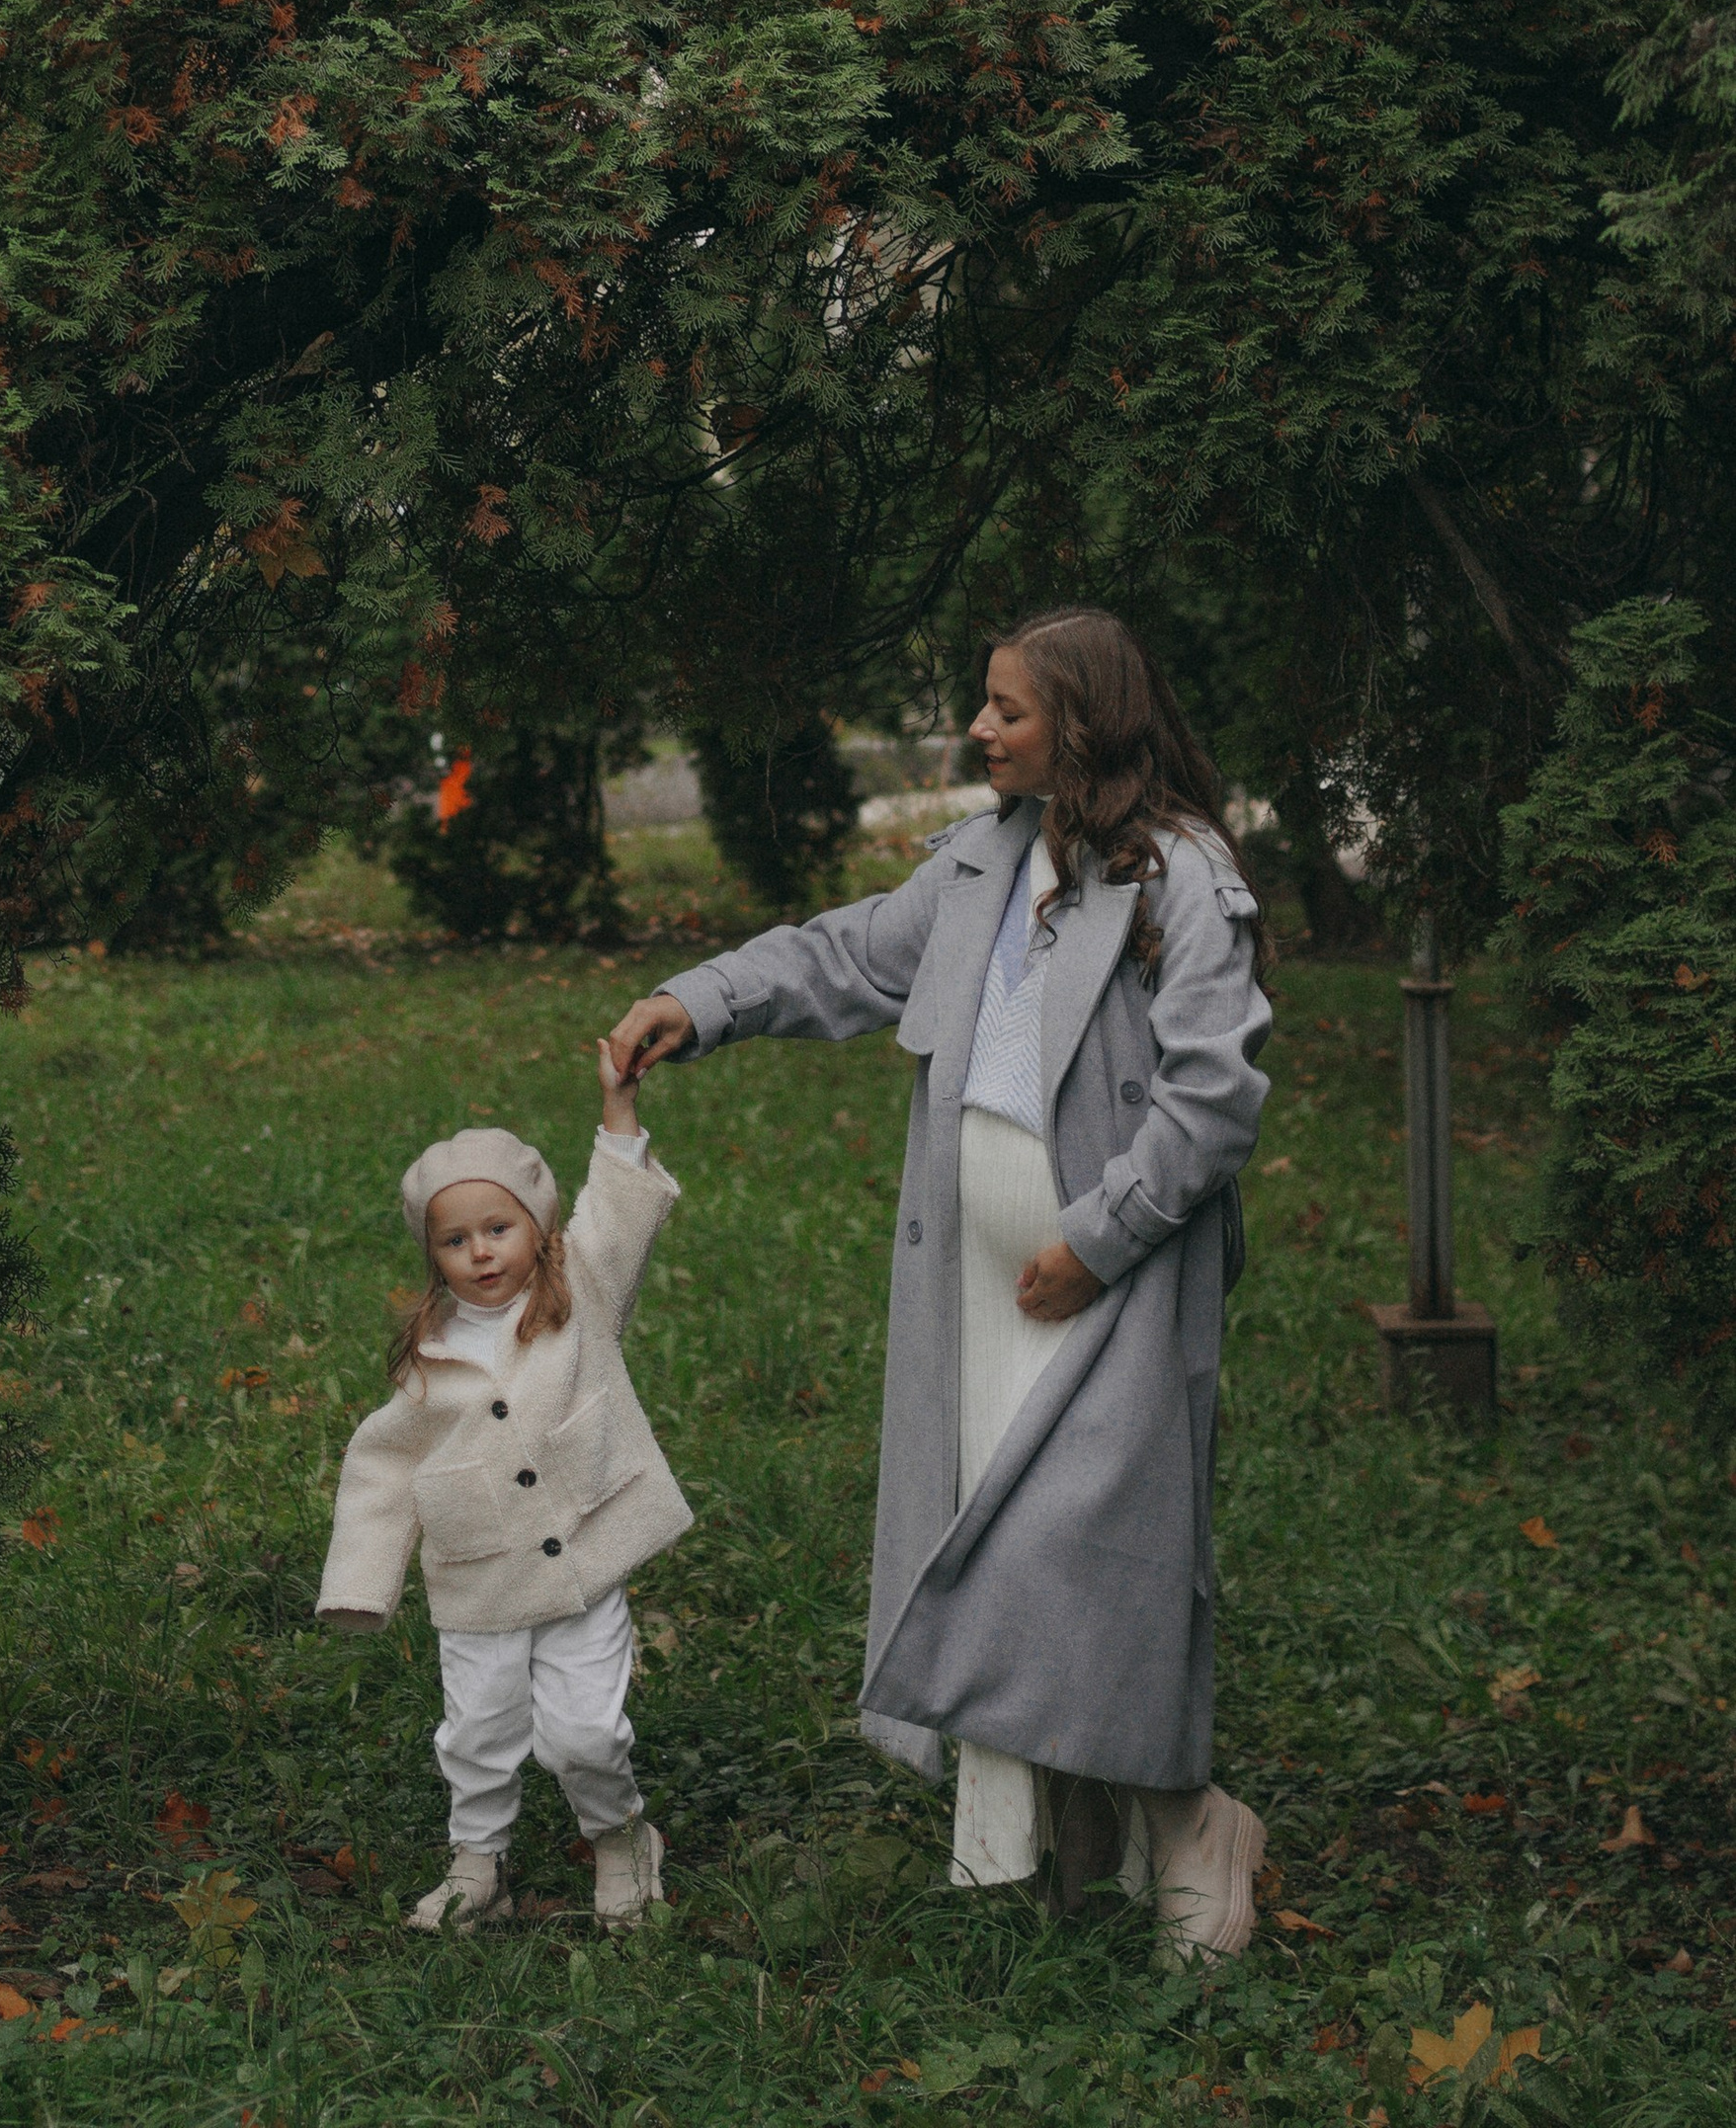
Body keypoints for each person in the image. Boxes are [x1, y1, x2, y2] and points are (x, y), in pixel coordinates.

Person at [608, 605, 1274, 1954]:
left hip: (1115, 1282)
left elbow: (1214, 1094)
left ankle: (1194, 1817)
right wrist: (708, 999)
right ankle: (1084, 1839)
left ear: (1085, 723)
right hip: (976, 1291)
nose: (981, 730)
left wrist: (1093, 1243)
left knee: (1090, 1555)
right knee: (1004, 1549)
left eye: (1009, 711)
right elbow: (847, 956)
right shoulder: (986, 864)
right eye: (985, 704)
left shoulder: (1184, 876)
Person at [315, 1036, 688, 1932]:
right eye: (455, 1239)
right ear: (432, 1255)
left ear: (539, 1225)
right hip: (477, 1572)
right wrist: (362, 1585)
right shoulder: (429, 1356)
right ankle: (478, 1863)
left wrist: (618, 1108)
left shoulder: (581, 1289)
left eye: (498, 1227)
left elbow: (623, 1210)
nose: (481, 1252)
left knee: (582, 1734)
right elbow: (382, 1465)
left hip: (580, 1563)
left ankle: (620, 1836)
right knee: (477, 1733)